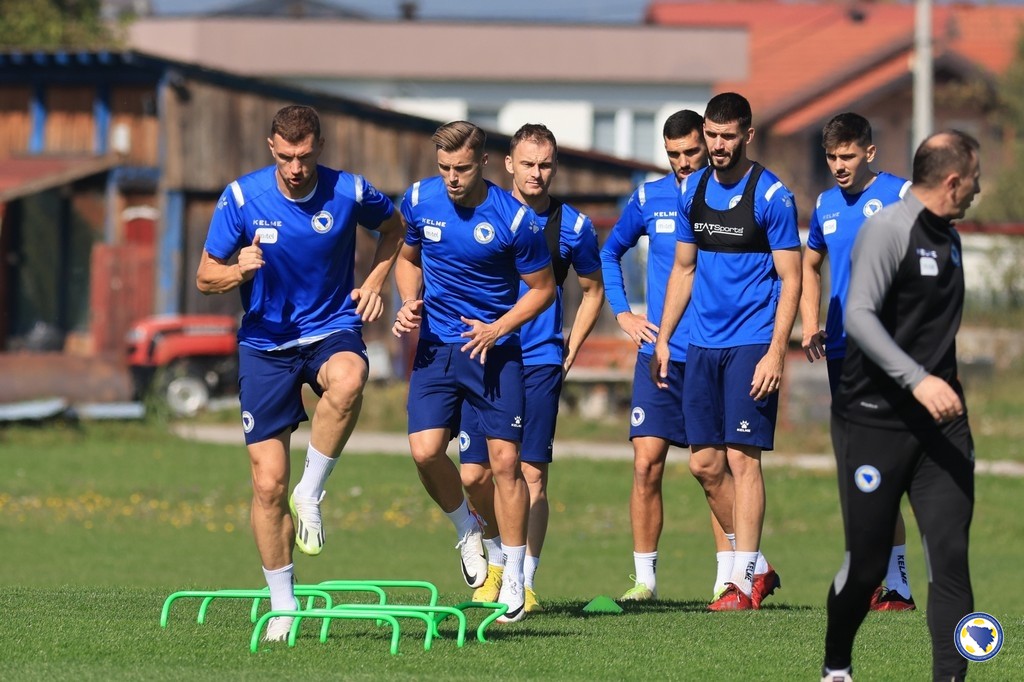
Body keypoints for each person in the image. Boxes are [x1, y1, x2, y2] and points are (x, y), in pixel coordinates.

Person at [195, 104, 405, 642]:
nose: (295, 167)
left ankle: (312, 491)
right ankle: (283, 605)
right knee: (267, 486)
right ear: (271, 148)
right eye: (286, 156)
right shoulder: (241, 199)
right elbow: (204, 276)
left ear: (319, 148)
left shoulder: (349, 190)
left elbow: (395, 225)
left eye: (305, 156)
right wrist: (236, 269)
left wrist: (377, 281)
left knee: (351, 377)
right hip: (265, 345)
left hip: (330, 328)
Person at [820, 130, 980, 682]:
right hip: (872, 420)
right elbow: (859, 317)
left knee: (951, 562)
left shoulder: (950, 236)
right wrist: (917, 380)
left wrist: (946, 384)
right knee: (866, 568)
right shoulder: (888, 229)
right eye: (975, 179)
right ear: (954, 180)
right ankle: (836, 665)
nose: (979, 191)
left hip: (941, 428)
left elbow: (933, 329)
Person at [392, 121, 556, 623]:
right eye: (444, 169)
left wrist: (498, 327)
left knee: (506, 465)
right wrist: (408, 302)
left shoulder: (515, 221)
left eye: (461, 169)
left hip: (495, 353)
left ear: (482, 163)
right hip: (438, 348)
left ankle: (513, 578)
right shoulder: (419, 199)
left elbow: (543, 289)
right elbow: (406, 258)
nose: (452, 179)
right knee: (423, 451)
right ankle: (467, 528)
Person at [653, 92, 801, 611]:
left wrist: (777, 351)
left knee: (742, 459)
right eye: (711, 136)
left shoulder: (772, 197)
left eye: (726, 137)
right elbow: (684, 269)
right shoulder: (690, 190)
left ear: (747, 136)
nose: (716, 146)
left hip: (751, 343)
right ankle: (756, 566)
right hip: (701, 344)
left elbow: (791, 276)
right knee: (704, 465)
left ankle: (740, 582)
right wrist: (666, 336)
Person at [602, 109, 752, 603]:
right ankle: (644, 580)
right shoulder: (649, 197)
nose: (684, 163)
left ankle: (731, 574)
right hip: (658, 352)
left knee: (712, 470)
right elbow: (610, 251)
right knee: (646, 462)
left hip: (711, 349)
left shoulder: (725, 195)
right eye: (674, 156)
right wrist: (623, 313)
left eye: (691, 152)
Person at [457, 124, 605, 613]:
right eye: (528, 164)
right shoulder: (483, 210)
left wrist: (571, 348)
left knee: (529, 473)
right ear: (508, 165)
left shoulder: (573, 227)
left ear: (554, 167)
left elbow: (593, 291)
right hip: (484, 356)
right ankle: (498, 556)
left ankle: (525, 581)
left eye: (545, 165)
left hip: (538, 361)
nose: (537, 174)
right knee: (475, 473)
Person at [799, 112, 916, 612]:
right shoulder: (824, 205)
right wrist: (810, 320)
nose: (839, 166)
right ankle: (880, 579)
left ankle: (899, 583)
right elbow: (809, 264)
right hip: (842, 351)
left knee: (884, 469)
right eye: (831, 157)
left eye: (847, 156)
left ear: (869, 152)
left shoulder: (902, 194)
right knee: (858, 468)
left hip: (887, 352)